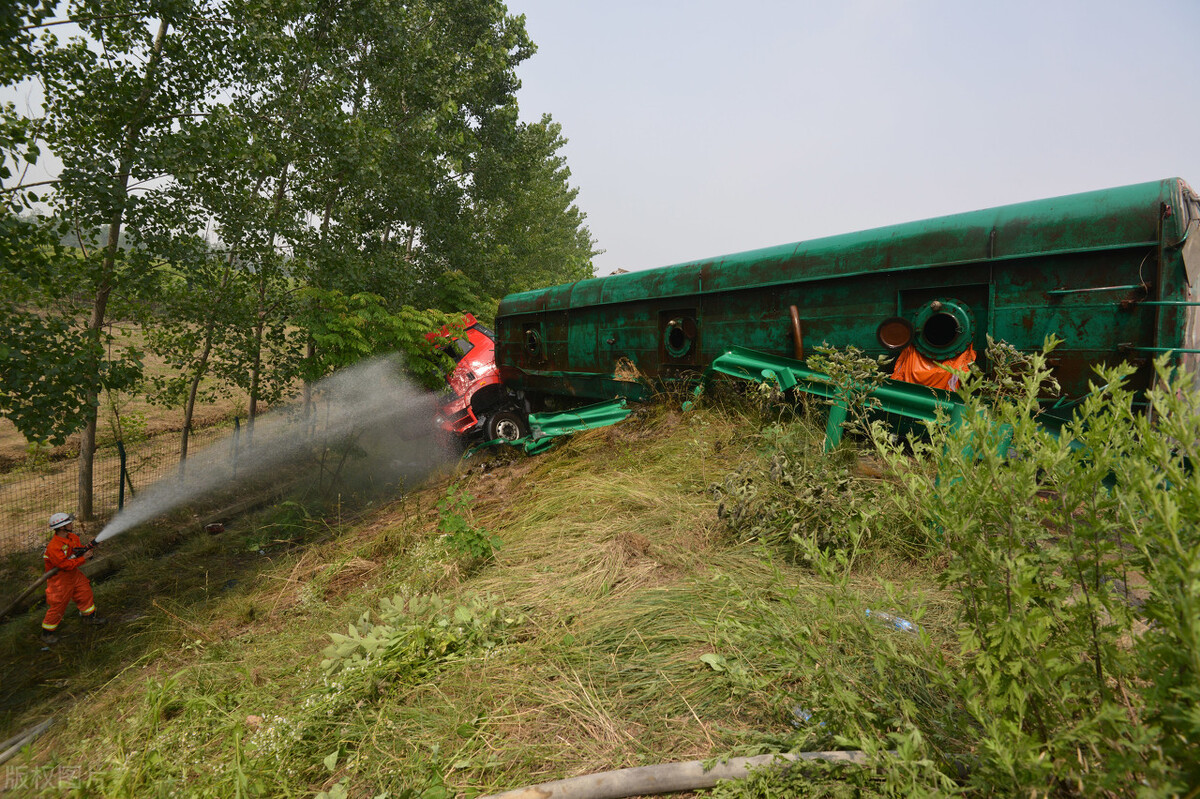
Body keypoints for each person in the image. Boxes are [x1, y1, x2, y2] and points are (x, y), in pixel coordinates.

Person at [40, 513, 106, 645]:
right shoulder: (54, 547)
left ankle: (89, 618)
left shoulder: (73, 537)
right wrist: (84, 558)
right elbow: (64, 565)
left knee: (85, 592)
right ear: (62, 527)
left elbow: (77, 551)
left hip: (74, 575)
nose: (72, 524)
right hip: (59, 580)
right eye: (69, 523)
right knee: (58, 606)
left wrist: (91, 546)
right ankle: (47, 633)